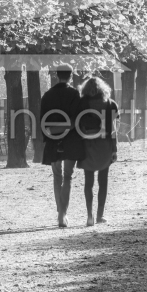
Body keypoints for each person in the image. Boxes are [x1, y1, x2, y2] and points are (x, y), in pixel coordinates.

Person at [40, 69, 86, 228]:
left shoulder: (47, 95)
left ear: (56, 75)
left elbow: (42, 121)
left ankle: (60, 211)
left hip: (53, 140)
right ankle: (62, 214)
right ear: (71, 76)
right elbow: (79, 118)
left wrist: (49, 138)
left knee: (57, 176)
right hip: (71, 139)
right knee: (68, 176)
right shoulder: (75, 94)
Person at [76, 76, 118, 226]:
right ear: (103, 88)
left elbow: (77, 124)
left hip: (87, 144)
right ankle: (100, 215)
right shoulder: (110, 104)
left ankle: (89, 216)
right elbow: (113, 129)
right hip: (105, 144)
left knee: (88, 182)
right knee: (103, 181)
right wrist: (115, 149)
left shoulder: (81, 103)